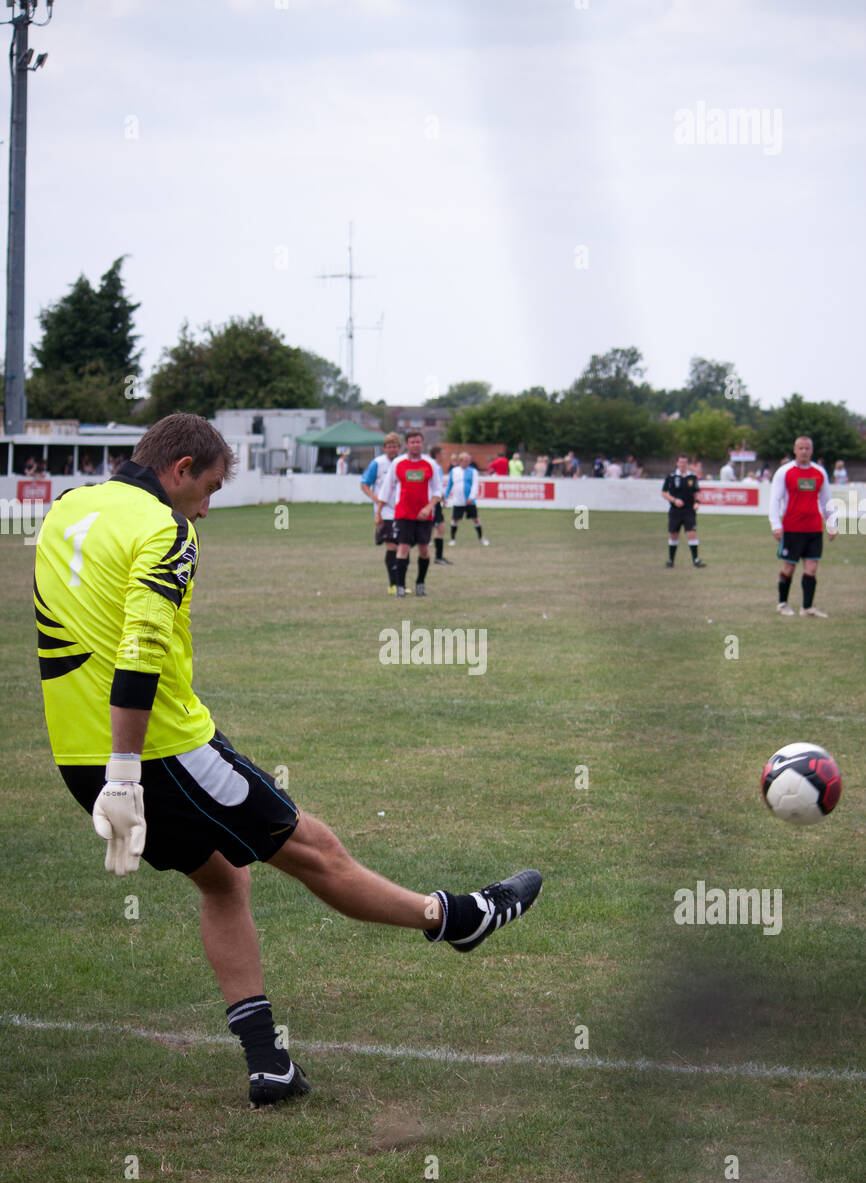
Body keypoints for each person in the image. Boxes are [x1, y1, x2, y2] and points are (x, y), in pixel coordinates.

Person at [34, 413, 543, 1108]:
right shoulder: (166, 529)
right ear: (180, 469)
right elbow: (140, 651)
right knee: (316, 850)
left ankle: (267, 1061)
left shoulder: (66, 509)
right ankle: (454, 918)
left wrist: (108, 773)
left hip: (79, 755)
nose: (207, 507)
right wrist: (127, 769)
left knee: (223, 882)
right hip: (158, 750)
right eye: (208, 488)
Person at [770, 435, 836, 617]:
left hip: (814, 528)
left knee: (812, 567)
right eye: (801, 448)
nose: (804, 451)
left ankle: (807, 608)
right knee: (789, 568)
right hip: (792, 528)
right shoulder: (785, 472)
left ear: (812, 451)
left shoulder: (819, 472)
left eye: (807, 448)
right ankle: (782, 604)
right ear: (795, 450)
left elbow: (826, 500)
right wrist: (776, 525)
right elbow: (775, 500)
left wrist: (831, 523)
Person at [375, 429, 443, 596]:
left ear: (422, 444)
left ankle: (420, 583)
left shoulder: (430, 464)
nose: (415, 445)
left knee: (424, 549)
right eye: (412, 442)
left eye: (418, 442)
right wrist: (379, 512)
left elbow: (438, 490)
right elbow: (387, 489)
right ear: (407, 444)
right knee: (403, 548)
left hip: (424, 515)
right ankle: (400, 586)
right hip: (403, 514)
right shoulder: (398, 463)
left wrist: (428, 507)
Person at [360, 431, 401, 590]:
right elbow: (364, 483)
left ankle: (400, 582)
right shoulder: (377, 463)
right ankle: (393, 584)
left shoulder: (402, 462)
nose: (392, 449)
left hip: (401, 510)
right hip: (384, 511)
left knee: (402, 546)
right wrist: (375, 498)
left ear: (399, 448)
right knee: (391, 545)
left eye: (395, 446)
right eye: (389, 446)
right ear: (384, 448)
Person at [662, 453, 706, 568]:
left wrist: (697, 503)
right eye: (681, 462)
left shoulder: (692, 477)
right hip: (675, 511)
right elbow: (664, 492)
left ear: (687, 464)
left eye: (685, 462)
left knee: (691, 533)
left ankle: (696, 560)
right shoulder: (671, 477)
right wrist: (674, 500)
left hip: (689, 510)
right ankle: (671, 561)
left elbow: (698, 492)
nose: (683, 464)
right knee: (673, 534)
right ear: (677, 463)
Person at [447, 452, 489, 547]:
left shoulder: (473, 471)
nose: (467, 463)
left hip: (469, 501)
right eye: (465, 461)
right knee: (455, 519)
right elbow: (450, 484)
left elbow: (475, 485)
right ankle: (452, 539)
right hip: (458, 500)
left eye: (468, 461)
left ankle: (481, 538)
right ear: (460, 461)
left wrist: (471, 497)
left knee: (476, 519)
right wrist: (445, 496)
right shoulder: (454, 471)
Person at [428, 444, 452, 565]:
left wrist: (442, 498)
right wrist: (440, 498)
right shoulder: (435, 467)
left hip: (435, 501)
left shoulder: (435, 466)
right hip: (432, 502)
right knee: (434, 528)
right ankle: (435, 556)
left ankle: (438, 556)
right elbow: (435, 485)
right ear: (437, 455)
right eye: (443, 453)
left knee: (439, 528)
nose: (444, 456)